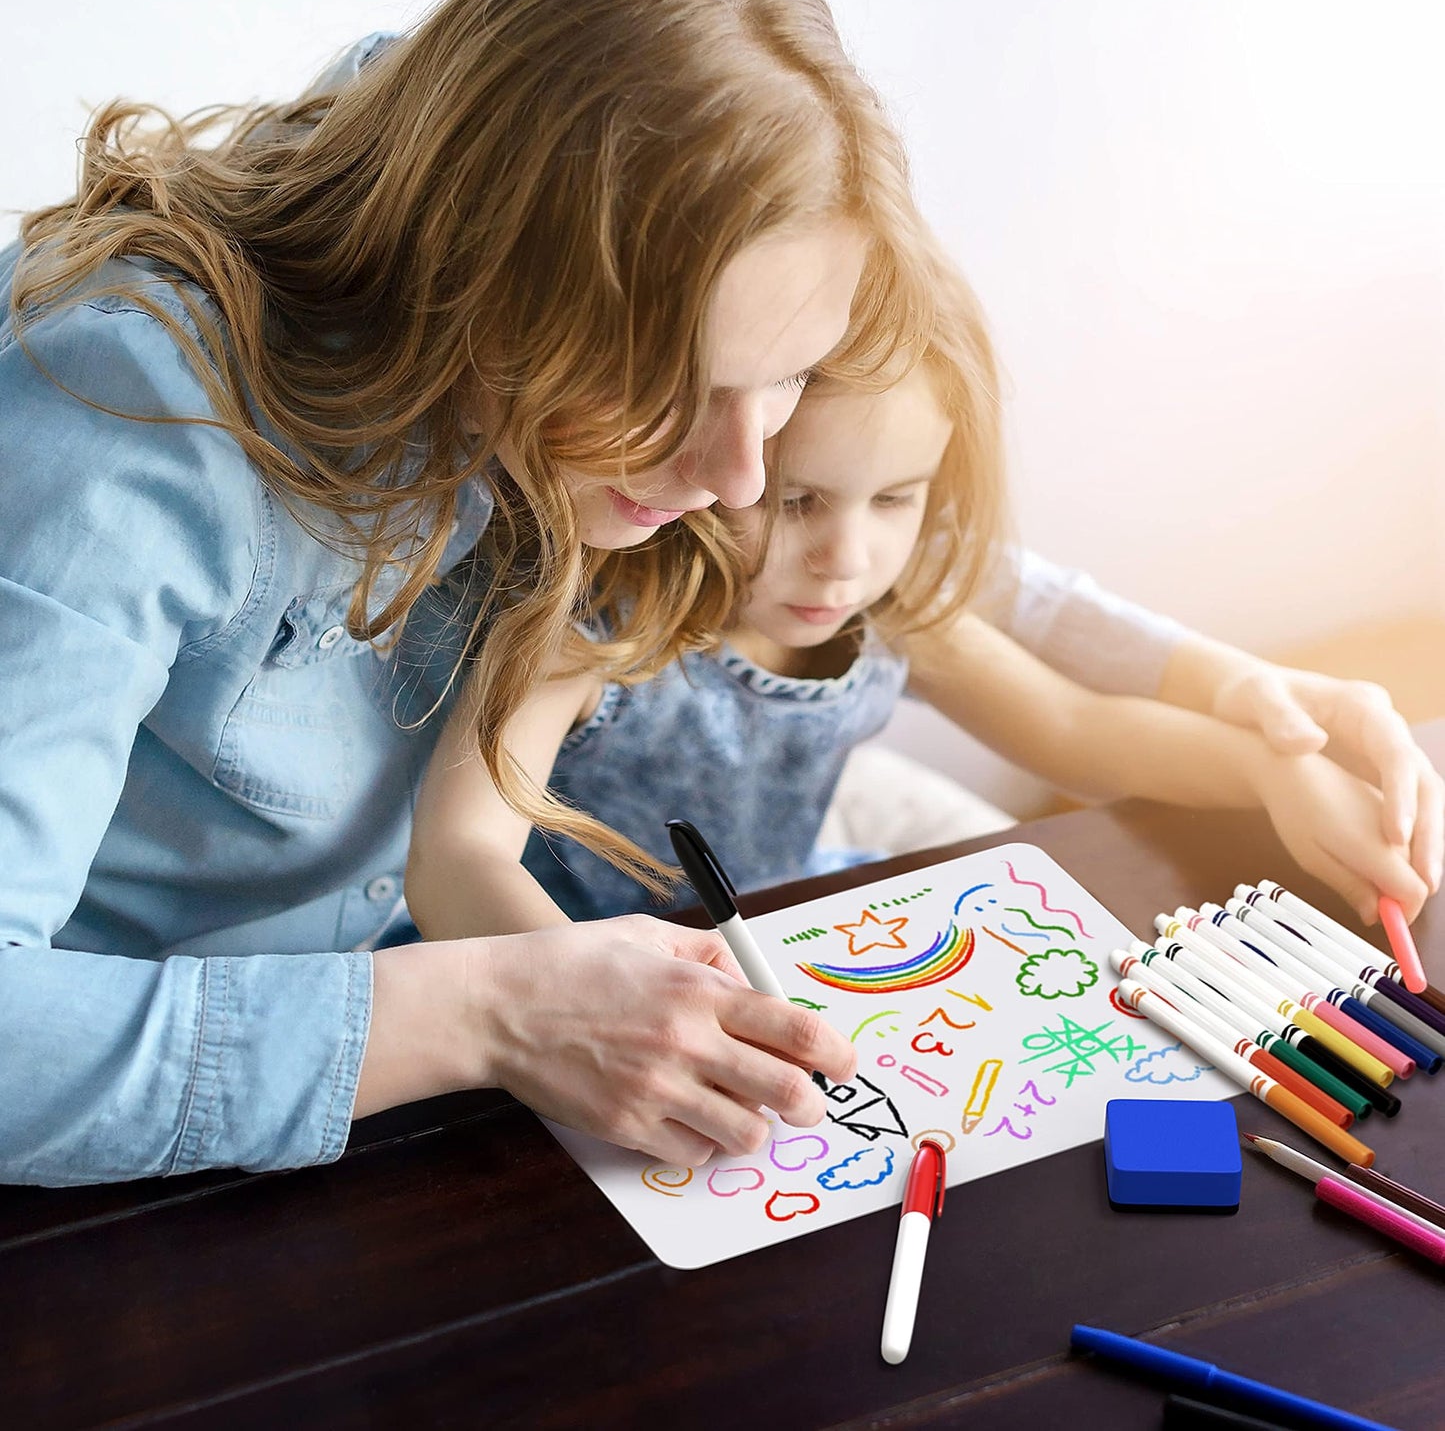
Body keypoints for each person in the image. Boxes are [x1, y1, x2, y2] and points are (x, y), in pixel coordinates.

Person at [0, 0, 1008, 1186]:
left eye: (785, 378)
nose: (739, 480)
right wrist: (489, 1009)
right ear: (478, 277)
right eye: (665, 382)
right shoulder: (121, 419)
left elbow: (943, 549)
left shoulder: (537, 224)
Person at [405, 265, 1442, 941]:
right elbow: (459, 861)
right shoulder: (590, 632)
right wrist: (585, 996)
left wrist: (1275, 767)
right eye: (797, 499)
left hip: (780, 924)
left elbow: (1080, 732)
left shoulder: (889, 611)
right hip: (565, 968)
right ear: (719, 451)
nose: (845, 558)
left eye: (895, 500)